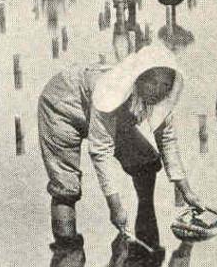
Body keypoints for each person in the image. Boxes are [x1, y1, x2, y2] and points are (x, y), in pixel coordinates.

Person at [37, 45, 206, 260]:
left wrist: (187, 191)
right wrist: (115, 207)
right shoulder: (111, 90)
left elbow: (167, 140)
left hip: (107, 114)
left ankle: (146, 220)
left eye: (165, 84)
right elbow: (101, 151)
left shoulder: (158, 98)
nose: (158, 90)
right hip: (62, 106)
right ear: (139, 78)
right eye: (153, 82)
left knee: (146, 162)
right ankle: (68, 250)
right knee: (66, 189)